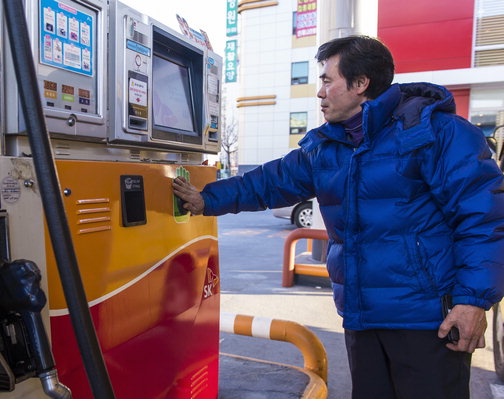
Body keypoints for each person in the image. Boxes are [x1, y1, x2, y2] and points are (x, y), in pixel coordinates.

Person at [173, 35, 504, 398]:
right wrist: (205, 199)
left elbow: (483, 221)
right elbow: (268, 183)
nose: (320, 92)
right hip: (362, 316)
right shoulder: (327, 146)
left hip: (427, 321)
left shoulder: (437, 134)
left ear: (361, 84)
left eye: (327, 80)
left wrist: (472, 301)